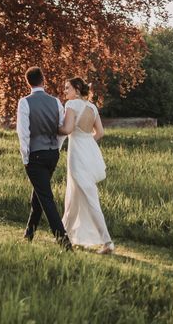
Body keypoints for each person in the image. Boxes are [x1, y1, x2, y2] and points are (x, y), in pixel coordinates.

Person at [16, 66, 72, 250]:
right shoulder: (56, 102)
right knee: (39, 194)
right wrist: (56, 148)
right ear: (43, 79)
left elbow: (23, 133)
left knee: (45, 198)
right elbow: (62, 130)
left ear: (28, 82)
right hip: (52, 154)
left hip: (35, 156)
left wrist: (26, 158)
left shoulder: (24, 103)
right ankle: (29, 233)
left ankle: (64, 242)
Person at [58, 77, 114, 255]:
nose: (65, 91)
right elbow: (100, 133)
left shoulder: (71, 106)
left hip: (77, 156)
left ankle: (107, 242)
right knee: (73, 194)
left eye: (67, 88)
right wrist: (87, 142)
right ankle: (62, 234)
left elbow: (67, 130)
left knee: (90, 197)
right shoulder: (92, 107)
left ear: (76, 88)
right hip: (89, 153)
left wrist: (50, 126)